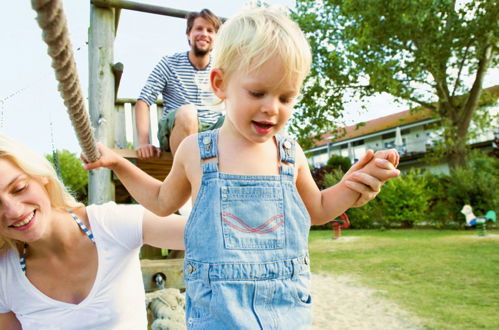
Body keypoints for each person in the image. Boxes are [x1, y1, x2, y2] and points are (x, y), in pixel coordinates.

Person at [84, 6, 400, 329]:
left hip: (286, 312)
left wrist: (352, 184)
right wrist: (118, 164)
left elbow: (318, 208)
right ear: (220, 84)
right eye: (258, 92)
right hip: (217, 316)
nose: (271, 108)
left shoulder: (290, 154)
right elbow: (162, 201)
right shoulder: (197, 152)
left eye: (286, 98)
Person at [0, 134, 187, 330]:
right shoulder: (5, 274)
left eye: (19, 188)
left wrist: (119, 165)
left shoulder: (109, 224)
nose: (14, 211)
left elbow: (209, 234)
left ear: (41, 176)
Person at [135, 8, 224, 159]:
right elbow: (143, 101)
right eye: (199, 29)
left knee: (234, 120)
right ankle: (186, 172)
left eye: (210, 30)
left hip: (212, 136)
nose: (204, 34)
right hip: (178, 132)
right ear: (188, 34)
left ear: (216, 38)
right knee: (188, 113)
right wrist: (144, 143)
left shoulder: (221, 69)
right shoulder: (169, 64)